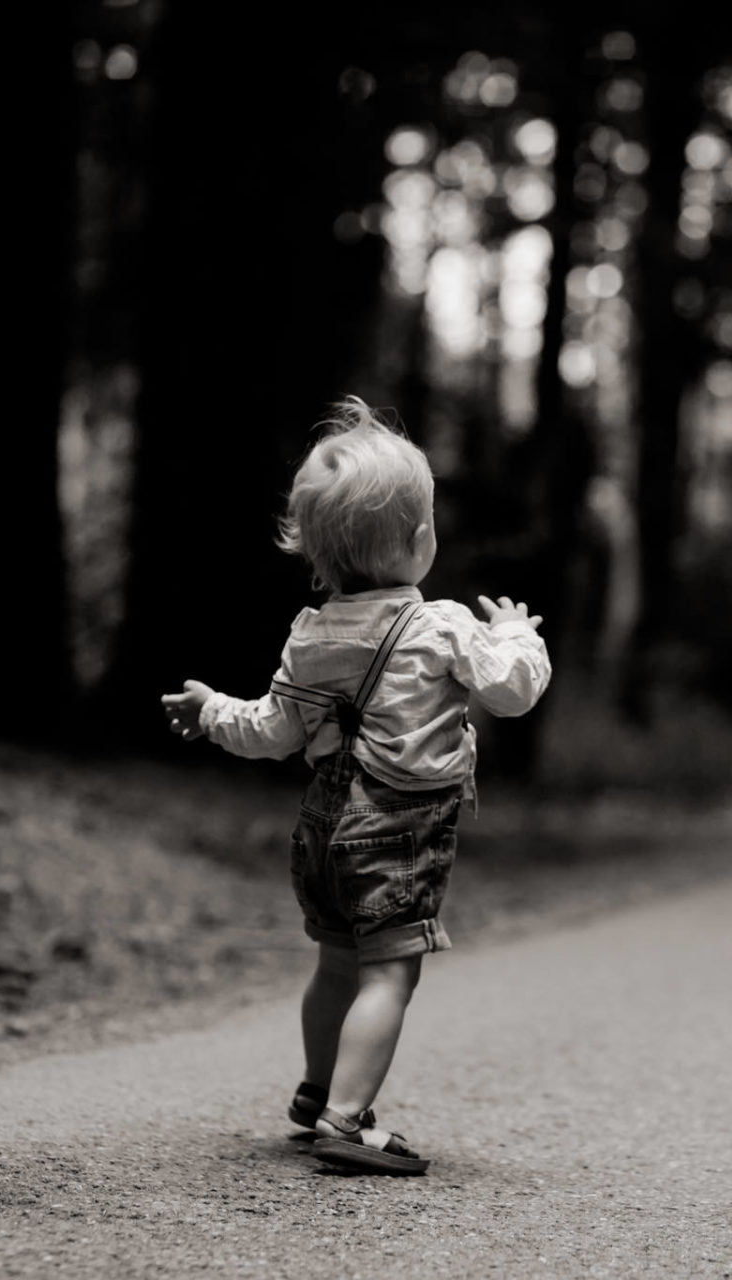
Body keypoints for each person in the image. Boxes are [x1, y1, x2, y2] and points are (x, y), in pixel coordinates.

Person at [160, 400, 550, 1174]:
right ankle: (345, 1120)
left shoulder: (312, 635)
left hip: (321, 831)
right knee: (389, 975)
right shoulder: (441, 627)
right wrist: (517, 635)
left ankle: (314, 1091)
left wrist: (212, 714)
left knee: (335, 963)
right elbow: (511, 690)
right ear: (418, 540)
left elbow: (272, 731)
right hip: (397, 834)